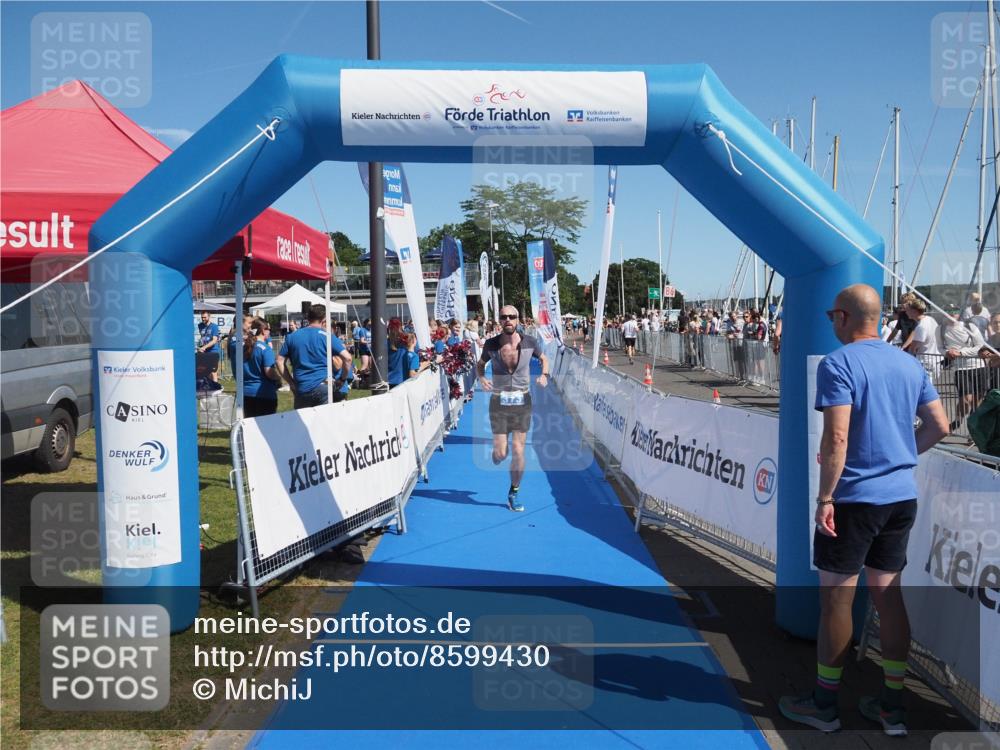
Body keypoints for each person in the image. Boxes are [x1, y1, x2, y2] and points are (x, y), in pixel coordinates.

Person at [779, 284, 949, 737]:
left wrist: (825, 498)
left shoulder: (839, 363)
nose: (830, 322)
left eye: (831, 314)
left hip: (854, 499)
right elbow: (941, 425)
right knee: (887, 596)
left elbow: (836, 439)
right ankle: (892, 706)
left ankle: (824, 704)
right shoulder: (907, 363)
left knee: (835, 599)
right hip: (899, 497)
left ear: (843, 318)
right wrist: (901, 457)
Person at [476, 305, 550, 512]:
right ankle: (498, 452)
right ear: (499, 320)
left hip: (522, 401)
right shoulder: (491, 344)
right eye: (504, 317)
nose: (508, 319)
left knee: (518, 450)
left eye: (512, 316)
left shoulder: (530, 342)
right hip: (499, 402)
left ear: (518, 320)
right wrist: (481, 378)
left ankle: (514, 492)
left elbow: (544, 359)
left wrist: (544, 375)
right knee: (500, 454)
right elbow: (480, 364)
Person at [275, 304, 351, 409]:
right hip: (323, 386)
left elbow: (279, 361)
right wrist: (342, 379)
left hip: (302, 388)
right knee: (324, 423)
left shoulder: (292, 336)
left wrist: (291, 383)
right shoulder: (327, 336)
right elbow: (348, 358)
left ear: (308, 317)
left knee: (303, 423)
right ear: (324, 319)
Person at [941, 308, 988, 430]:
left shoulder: (969, 326)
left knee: (977, 401)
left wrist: (961, 352)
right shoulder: (941, 328)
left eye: (954, 313)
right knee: (966, 400)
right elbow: (940, 347)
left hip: (978, 365)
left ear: (958, 314)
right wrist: (947, 352)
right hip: (960, 368)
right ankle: (957, 421)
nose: (951, 315)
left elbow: (979, 345)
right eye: (948, 312)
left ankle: (974, 430)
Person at [242, 318, 281, 417]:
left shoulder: (244, 347)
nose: (269, 332)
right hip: (264, 393)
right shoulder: (265, 349)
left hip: (246, 393)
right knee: (266, 429)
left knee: (250, 427)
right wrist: (279, 378)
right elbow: (269, 372)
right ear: (263, 330)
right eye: (269, 329)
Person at [197, 311, 222, 384]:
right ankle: (209, 387)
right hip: (204, 352)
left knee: (213, 371)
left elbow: (214, 340)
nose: (203, 319)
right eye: (202, 317)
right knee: (206, 371)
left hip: (213, 351)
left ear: (209, 317)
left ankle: (216, 387)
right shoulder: (200, 326)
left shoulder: (214, 326)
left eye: (205, 317)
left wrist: (204, 347)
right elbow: (203, 338)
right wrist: (200, 346)